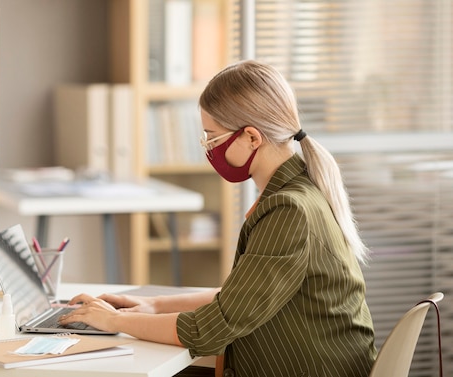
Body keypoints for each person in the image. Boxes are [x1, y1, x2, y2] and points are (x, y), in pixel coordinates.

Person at [59, 60, 378, 377]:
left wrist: (114, 321)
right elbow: (241, 296)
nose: (208, 149)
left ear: (252, 138)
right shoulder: (301, 188)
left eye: (212, 138)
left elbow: (211, 329)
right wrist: (152, 305)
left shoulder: (288, 209)